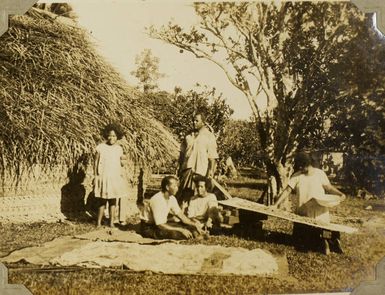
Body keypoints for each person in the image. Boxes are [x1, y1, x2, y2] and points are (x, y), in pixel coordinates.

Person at [274, 152, 346, 254]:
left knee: (319, 230)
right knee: (300, 240)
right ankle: (325, 241)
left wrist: (340, 194)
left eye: (302, 166)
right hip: (303, 213)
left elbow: (328, 188)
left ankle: (328, 241)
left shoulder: (320, 174)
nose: (300, 168)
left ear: (308, 164)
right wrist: (275, 204)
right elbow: (287, 190)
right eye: (299, 167)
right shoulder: (297, 176)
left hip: (319, 212)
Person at [139, 176, 205, 240]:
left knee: (189, 226)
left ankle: (196, 234)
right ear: (167, 187)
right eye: (175, 186)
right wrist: (181, 230)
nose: (177, 188)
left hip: (162, 223)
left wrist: (195, 225)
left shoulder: (172, 198)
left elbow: (181, 216)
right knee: (175, 233)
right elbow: (160, 225)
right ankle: (193, 236)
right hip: (149, 227)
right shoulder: (157, 200)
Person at [177, 113, 219, 206]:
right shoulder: (188, 135)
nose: (194, 123)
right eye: (193, 120)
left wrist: (211, 170)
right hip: (187, 168)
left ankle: (195, 213)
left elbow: (212, 156)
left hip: (201, 169)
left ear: (203, 122)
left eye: (197, 121)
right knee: (184, 192)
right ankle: (183, 211)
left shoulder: (209, 136)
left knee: (198, 193)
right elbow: (182, 152)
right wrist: (179, 167)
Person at [94, 124, 127, 228]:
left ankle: (111, 222)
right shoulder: (100, 147)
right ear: (106, 136)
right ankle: (99, 222)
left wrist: (124, 161)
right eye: (109, 135)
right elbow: (96, 163)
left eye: (114, 136)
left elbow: (121, 163)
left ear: (117, 137)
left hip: (114, 177)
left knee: (113, 200)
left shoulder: (119, 149)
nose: (111, 138)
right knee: (102, 200)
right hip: (103, 176)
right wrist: (96, 176)